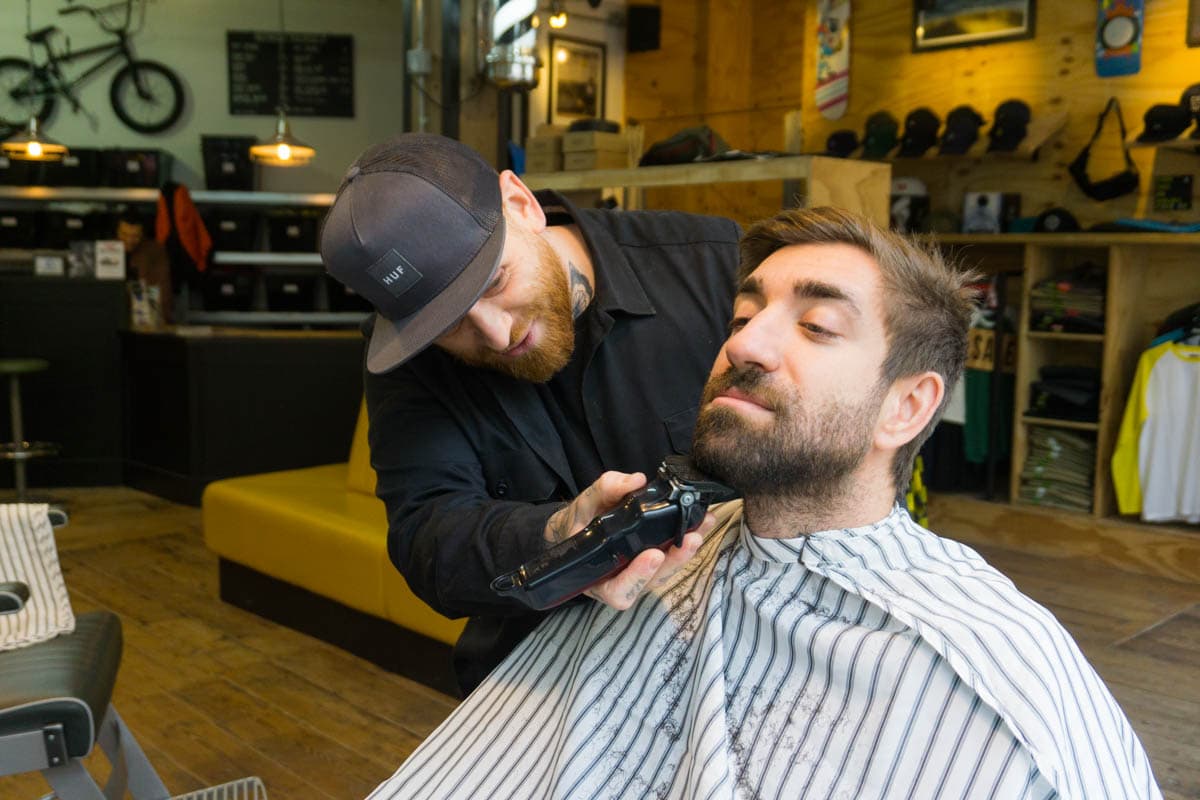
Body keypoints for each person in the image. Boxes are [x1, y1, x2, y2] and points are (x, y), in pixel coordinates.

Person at [365, 207, 1161, 800]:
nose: (742, 343)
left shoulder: (993, 682)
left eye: (816, 326)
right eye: (742, 317)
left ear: (908, 408)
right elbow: (429, 530)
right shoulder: (679, 553)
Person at [319, 133, 740, 693]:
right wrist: (561, 534)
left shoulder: (714, 267)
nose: (495, 334)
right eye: (447, 323)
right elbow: (428, 538)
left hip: (736, 637)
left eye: (495, 281)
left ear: (522, 203)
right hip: (546, 671)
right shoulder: (409, 362)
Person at [116, 210, 173, 324]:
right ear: (116, 232)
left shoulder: (154, 251)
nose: (129, 240)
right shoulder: (105, 248)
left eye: (135, 236)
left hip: (145, 316)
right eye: (124, 234)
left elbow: (163, 290)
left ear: (142, 235)